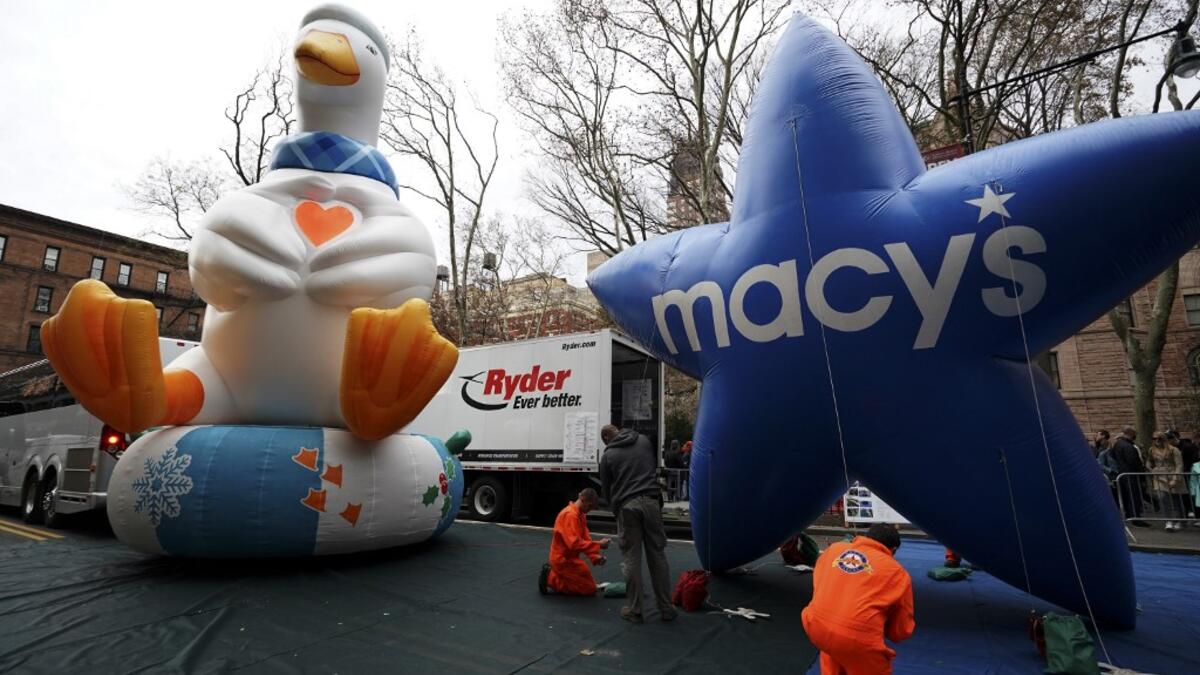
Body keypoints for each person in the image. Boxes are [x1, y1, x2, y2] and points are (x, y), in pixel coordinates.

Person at [802, 523, 915, 675]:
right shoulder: (897, 573)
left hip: (815, 625)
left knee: (833, 655)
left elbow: (819, 585)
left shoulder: (833, 550)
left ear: (867, 537)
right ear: (893, 550)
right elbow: (900, 631)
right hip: (856, 639)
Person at [599, 424, 676, 623]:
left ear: (606, 438)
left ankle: (635, 610)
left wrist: (615, 509)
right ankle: (666, 608)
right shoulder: (643, 441)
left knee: (631, 559)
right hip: (651, 501)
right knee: (657, 555)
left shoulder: (608, 456)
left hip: (627, 505)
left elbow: (606, 490)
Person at [539, 488, 611, 595]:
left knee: (587, 580)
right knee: (589, 589)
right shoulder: (570, 515)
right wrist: (599, 545)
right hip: (562, 560)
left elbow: (585, 538)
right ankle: (550, 578)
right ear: (582, 499)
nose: (590, 510)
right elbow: (574, 544)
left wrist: (595, 557)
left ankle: (559, 576)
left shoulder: (580, 515)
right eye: (589, 506)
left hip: (571, 559)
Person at [1147, 432, 1188, 531]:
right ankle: (1168, 521)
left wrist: (1175, 479)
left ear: (1164, 439)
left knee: (1177, 500)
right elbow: (1149, 460)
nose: (1157, 441)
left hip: (1173, 474)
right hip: (1159, 477)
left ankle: (1181, 520)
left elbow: (1179, 465)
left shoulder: (1174, 450)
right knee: (1163, 499)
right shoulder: (1151, 450)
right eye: (1154, 439)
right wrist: (1149, 467)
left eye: (1159, 438)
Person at [1110, 426, 1148, 525]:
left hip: (1123, 473)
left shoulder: (1118, 444)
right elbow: (1133, 462)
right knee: (1134, 496)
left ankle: (1129, 514)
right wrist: (1141, 473)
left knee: (1127, 496)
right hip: (1131, 474)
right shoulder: (1129, 446)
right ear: (1131, 434)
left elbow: (1112, 455)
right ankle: (1135, 517)